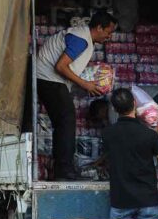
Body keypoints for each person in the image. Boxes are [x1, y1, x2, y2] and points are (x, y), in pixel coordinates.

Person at [36, 11, 117, 180]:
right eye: (108, 32)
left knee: (63, 122)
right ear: (99, 27)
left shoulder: (83, 38)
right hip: (48, 78)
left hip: (50, 79)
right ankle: (64, 170)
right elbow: (61, 66)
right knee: (66, 119)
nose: (109, 36)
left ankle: (61, 168)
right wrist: (85, 84)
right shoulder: (81, 40)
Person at [102, 88, 158, 219]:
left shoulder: (107, 134)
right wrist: (157, 136)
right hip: (147, 201)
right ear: (135, 103)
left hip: (121, 202)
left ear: (114, 108)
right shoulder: (149, 135)